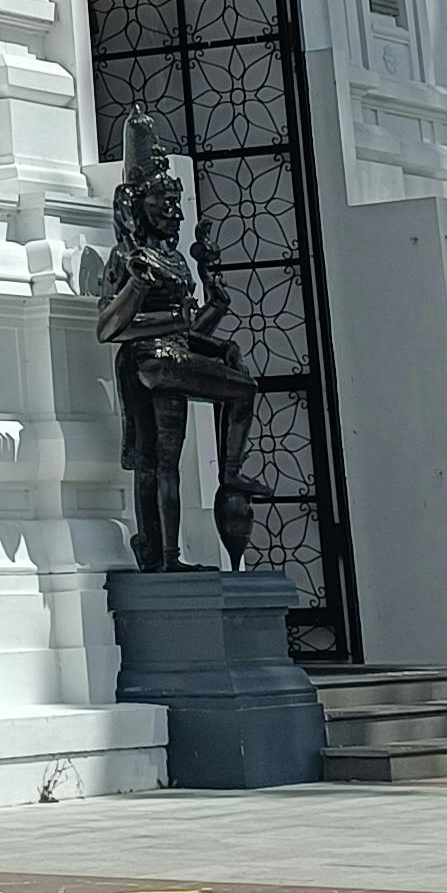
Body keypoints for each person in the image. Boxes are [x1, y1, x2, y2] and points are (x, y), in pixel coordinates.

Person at [96, 118, 260, 574]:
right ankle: (230, 474)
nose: (174, 212)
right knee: (242, 390)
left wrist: (214, 291)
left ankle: (167, 557)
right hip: (154, 361)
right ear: (140, 204)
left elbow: (190, 325)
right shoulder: (131, 259)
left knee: (165, 463)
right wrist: (137, 286)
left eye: (175, 203)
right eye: (164, 202)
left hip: (175, 354)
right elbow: (108, 329)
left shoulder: (173, 256)